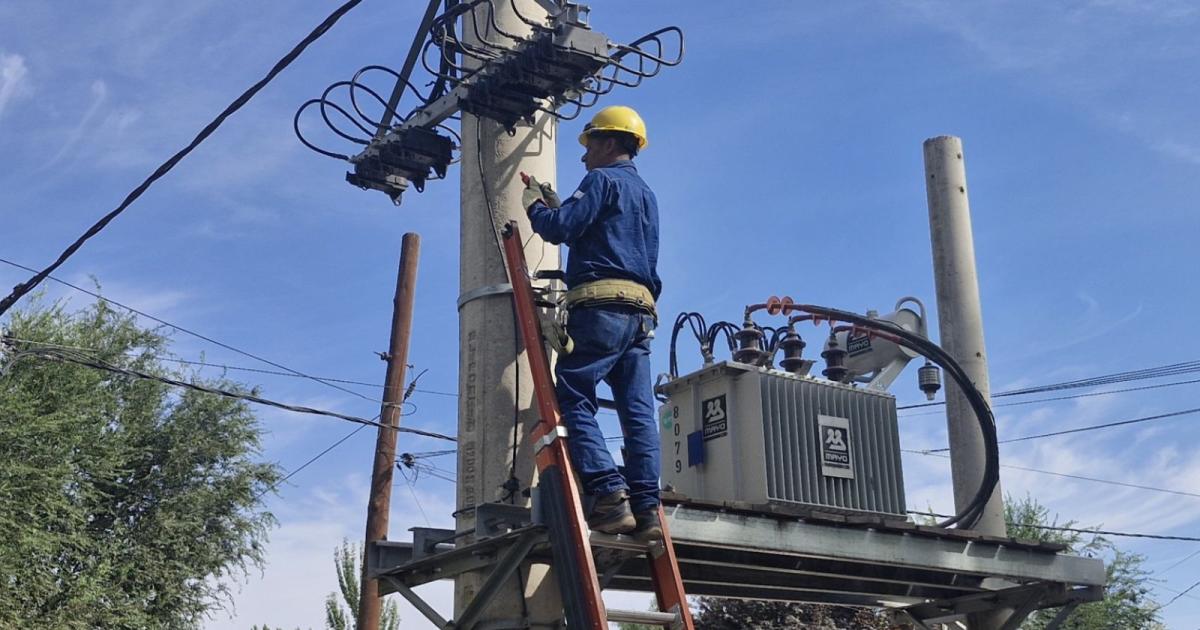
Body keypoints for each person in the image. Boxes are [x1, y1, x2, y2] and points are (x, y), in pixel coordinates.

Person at [521, 105, 662, 539]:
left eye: (589, 145)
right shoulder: (646, 194)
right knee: (637, 412)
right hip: (640, 316)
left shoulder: (601, 181)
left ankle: (608, 493)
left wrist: (536, 208)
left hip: (601, 310)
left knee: (575, 394)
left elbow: (560, 228)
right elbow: (601, 232)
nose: (583, 156)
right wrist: (564, 206)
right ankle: (647, 509)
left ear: (609, 142)